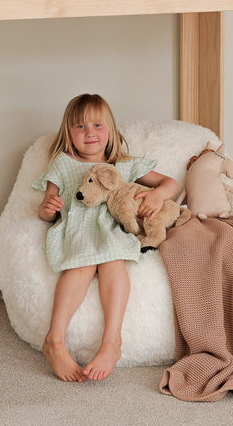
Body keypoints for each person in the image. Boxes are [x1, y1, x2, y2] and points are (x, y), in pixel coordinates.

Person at [33, 94, 179, 382]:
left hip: (113, 230)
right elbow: (46, 206)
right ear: (68, 133)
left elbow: (170, 183)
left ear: (110, 130)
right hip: (77, 230)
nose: (90, 133)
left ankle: (112, 342)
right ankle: (55, 340)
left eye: (98, 125)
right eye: (80, 127)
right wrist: (47, 209)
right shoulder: (63, 164)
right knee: (81, 266)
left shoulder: (123, 164)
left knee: (113, 263)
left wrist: (158, 194)